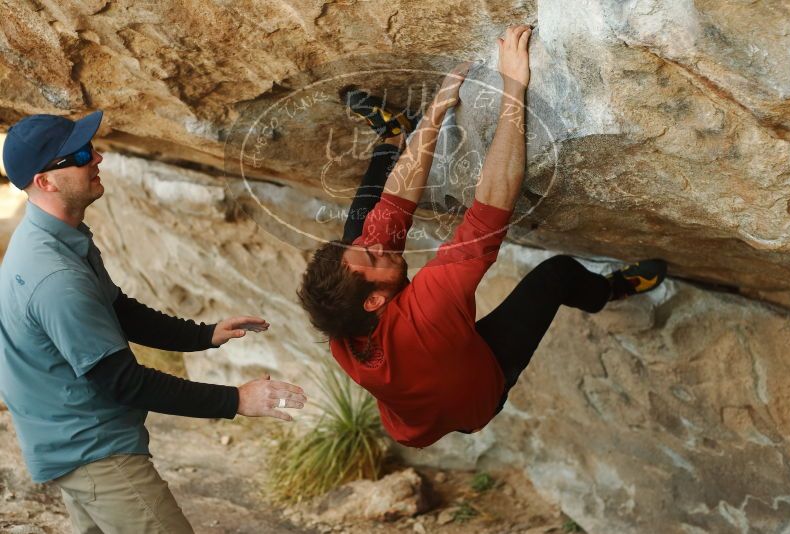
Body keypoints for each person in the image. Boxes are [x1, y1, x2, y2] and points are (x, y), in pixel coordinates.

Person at [298, 24, 667, 449]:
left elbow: (395, 200)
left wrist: (435, 114)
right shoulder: (429, 309)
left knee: (359, 232)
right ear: (377, 302)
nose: (379, 244)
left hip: (416, 410)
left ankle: (394, 136)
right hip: (480, 391)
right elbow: (493, 201)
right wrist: (515, 85)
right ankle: (611, 290)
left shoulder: (341, 323)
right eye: (377, 256)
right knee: (558, 275)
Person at [0, 110, 307, 533]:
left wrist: (204, 336)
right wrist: (237, 400)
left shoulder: (52, 239)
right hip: (96, 453)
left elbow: (117, 309)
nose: (98, 158)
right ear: (45, 181)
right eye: (81, 154)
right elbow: (125, 382)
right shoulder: (55, 277)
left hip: (68, 443)